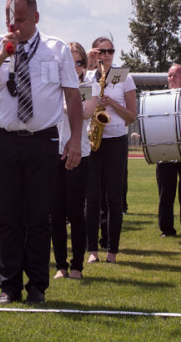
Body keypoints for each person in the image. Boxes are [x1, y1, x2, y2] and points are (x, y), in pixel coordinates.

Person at [0, 0, 82, 305]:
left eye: (20, 19)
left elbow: (73, 97)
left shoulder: (56, 49)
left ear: (35, 17)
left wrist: (74, 139)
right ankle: (9, 287)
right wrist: (4, 54)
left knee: (38, 217)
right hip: (4, 140)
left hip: (42, 140)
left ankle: (37, 287)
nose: (15, 24)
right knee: (7, 218)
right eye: (10, 19)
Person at [85, 37, 137, 265]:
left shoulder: (124, 77)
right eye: (100, 51)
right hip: (91, 141)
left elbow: (131, 116)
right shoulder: (87, 76)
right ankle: (91, 250)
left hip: (115, 139)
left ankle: (112, 251)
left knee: (114, 197)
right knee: (91, 197)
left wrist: (112, 104)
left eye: (110, 51)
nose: (105, 55)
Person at [52, 42, 98, 280]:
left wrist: (61, 104)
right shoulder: (52, 86)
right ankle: (60, 265)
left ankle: (77, 265)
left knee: (76, 212)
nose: (74, 67)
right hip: (53, 153)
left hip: (79, 153)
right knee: (56, 213)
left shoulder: (89, 85)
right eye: (69, 62)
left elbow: (87, 112)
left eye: (79, 62)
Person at [155, 63, 181, 238]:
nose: (172, 79)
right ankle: (166, 229)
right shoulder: (159, 97)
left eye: (176, 75)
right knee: (165, 194)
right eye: (170, 76)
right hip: (166, 153)